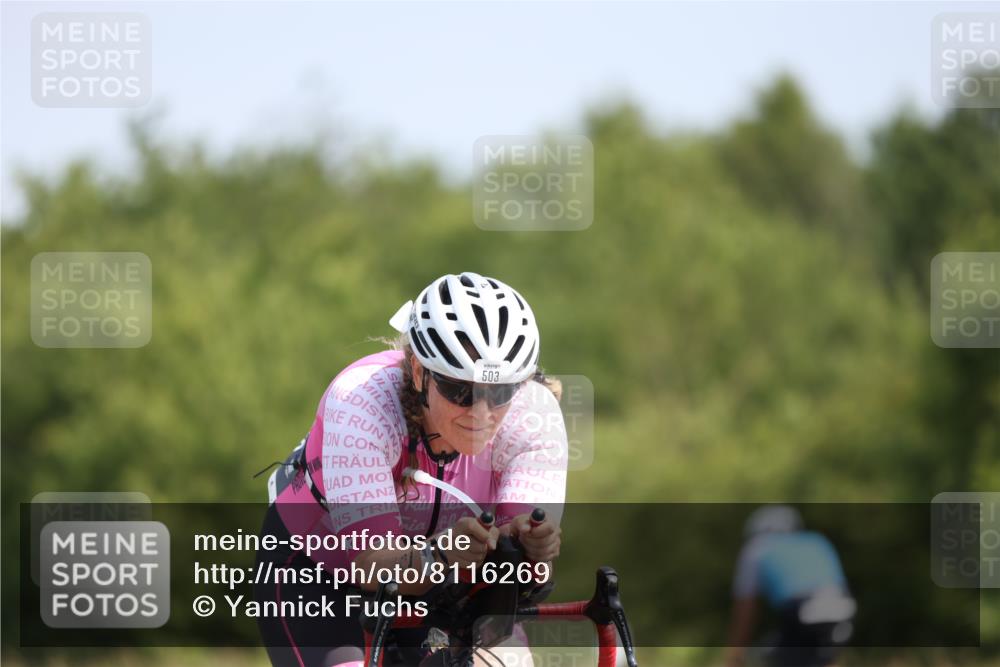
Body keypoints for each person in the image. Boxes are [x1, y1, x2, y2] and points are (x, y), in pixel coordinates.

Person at [254, 272, 568, 667]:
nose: (482, 413)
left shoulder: (533, 415)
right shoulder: (361, 401)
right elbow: (371, 566)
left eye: (501, 392)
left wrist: (531, 551)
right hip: (321, 573)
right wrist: (442, 553)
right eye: (460, 390)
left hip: (444, 580)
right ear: (420, 373)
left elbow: (521, 583)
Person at [725, 505, 855, 667]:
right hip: (843, 609)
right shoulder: (817, 540)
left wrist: (735, 654)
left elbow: (745, 609)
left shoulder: (756, 549)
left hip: (804, 609)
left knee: (764, 657)